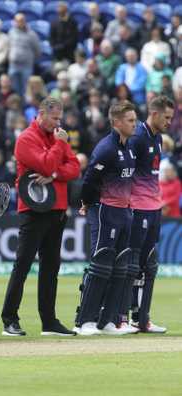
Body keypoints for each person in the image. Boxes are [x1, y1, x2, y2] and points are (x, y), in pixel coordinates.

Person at [1, 97, 80, 337]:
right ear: (41, 113)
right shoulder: (26, 138)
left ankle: (49, 321)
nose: (59, 123)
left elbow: (75, 168)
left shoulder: (56, 136)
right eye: (55, 117)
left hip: (56, 209)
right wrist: (57, 151)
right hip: (34, 210)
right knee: (23, 264)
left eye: (60, 118)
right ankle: (9, 319)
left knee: (50, 267)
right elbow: (45, 165)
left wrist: (55, 174)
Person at [75, 100, 137, 336]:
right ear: (117, 122)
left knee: (120, 267)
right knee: (101, 264)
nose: (134, 124)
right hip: (105, 211)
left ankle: (108, 321)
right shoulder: (106, 148)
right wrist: (88, 204)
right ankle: (85, 321)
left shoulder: (128, 147)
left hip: (124, 211)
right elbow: (89, 181)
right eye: (130, 120)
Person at [123, 96, 174, 333]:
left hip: (153, 208)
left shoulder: (156, 138)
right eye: (166, 117)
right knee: (132, 263)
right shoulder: (137, 138)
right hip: (137, 208)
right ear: (154, 114)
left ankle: (141, 318)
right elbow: (127, 174)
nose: (169, 122)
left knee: (148, 264)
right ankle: (122, 315)